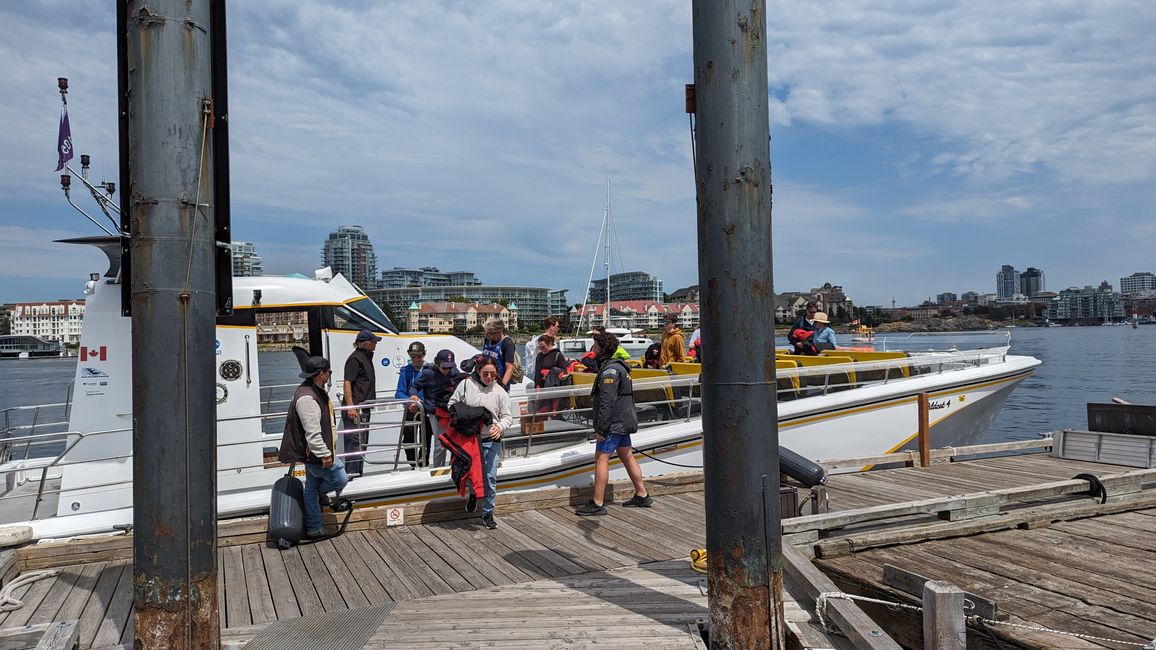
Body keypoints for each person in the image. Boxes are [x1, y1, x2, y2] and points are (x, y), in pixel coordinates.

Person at [576, 332, 651, 516]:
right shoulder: (620, 367)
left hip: (614, 422)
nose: (593, 349)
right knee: (627, 455)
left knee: (601, 457)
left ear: (603, 348)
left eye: (595, 346)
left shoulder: (610, 370)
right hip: (623, 420)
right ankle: (642, 494)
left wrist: (601, 427)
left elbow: (607, 401)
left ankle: (598, 502)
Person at [278, 356, 348, 538]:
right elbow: (312, 431)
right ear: (320, 374)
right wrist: (324, 454)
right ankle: (318, 500)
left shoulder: (311, 390)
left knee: (311, 488)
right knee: (340, 478)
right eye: (328, 372)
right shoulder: (308, 398)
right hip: (317, 455)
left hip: (314, 454)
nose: (330, 375)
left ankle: (314, 527)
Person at [448, 356, 513, 529]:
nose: (489, 377)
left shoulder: (500, 392)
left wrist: (499, 426)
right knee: (468, 473)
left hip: (491, 439)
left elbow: (508, 417)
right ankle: (473, 495)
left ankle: (487, 513)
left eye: (493, 374)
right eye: (486, 373)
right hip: (469, 438)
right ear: (478, 371)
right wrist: (465, 417)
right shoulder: (466, 385)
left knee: (490, 477)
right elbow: (452, 404)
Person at [410, 349, 462, 467]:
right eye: (444, 368)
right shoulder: (428, 374)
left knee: (456, 441)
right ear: (438, 363)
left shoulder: (453, 371)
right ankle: (438, 469)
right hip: (435, 412)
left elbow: (460, 383)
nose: (447, 370)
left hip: (451, 410)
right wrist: (413, 396)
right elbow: (415, 387)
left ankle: (457, 467)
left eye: (449, 367)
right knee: (440, 444)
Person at [342, 329, 380, 476]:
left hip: (364, 408)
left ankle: (358, 474)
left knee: (362, 443)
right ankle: (351, 476)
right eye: (373, 342)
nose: (376, 344)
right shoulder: (355, 359)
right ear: (365, 343)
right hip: (356, 409)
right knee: (354, 443)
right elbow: (347, 383)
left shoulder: (366, 357)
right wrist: (351, 407)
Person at [395, 341, 429, 468]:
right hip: (411, 410)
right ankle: (413, 463)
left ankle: (423, 462)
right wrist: (410, 402)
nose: (416, 359)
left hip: (425, 409)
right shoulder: (405, 371)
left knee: (425, 438)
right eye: (413, 356)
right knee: (408, 438)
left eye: (419, 356)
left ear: (424, 354)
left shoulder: (429, 370)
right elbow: (399, 392)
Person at [481, 318, 519, 390]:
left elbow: (509, 369)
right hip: (485, 380)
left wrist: (502, 387)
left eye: (489, 333)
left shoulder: (507, 343)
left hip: (499, 381)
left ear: (499, 332)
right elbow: (485, 356)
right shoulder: (487, 340)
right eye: (485, 332)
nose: (486, 334)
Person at [523, 315, 560, 380]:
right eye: (557, 326)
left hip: (541, 372)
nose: (558, 328)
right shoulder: (542, 340)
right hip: (543, 374)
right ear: (551, 326)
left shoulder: (538, 339)